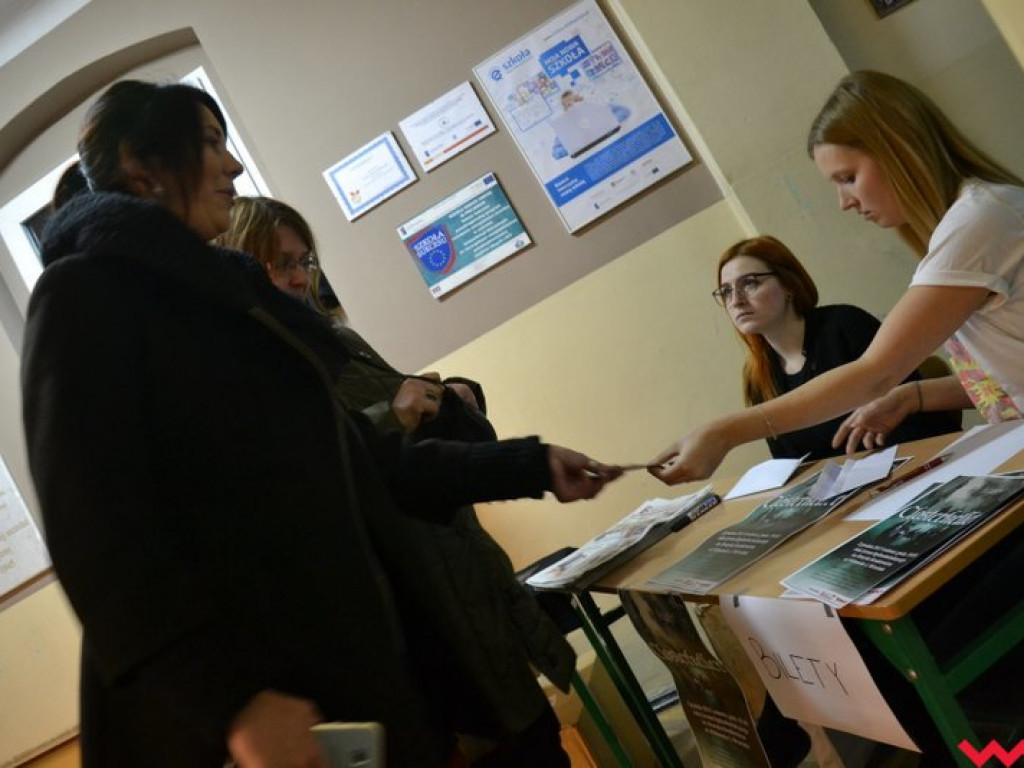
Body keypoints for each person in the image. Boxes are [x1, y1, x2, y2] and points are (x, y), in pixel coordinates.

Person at [21, 79, 621, 767]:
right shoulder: (83, 297)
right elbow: (95, 532)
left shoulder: (234, 303)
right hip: (255, 718)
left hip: (362, 690)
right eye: (212, 143)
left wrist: (529, 463)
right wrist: (234, 702)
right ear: (141, 167)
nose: (234, 166)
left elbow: (361, 463)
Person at [652, 69, 1024, 764]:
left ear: (899, 149)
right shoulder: (967, 225)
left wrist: (726, 430)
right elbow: (992, 378)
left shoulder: (978, 222)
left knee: (913, 635)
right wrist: (911, 396)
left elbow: (871, 370)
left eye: (848, 177)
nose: (845, 201)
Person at [217, 196, 576, 766]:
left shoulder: (335, 340)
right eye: (276, 263)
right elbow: (329, 482)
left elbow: (405, 458)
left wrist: (445, 401)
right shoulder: (248, 377)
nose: (295, 279)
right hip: (414, 632)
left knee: (533, 744)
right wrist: (398, 415)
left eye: (303, 262)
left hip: (457, 584)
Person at [714, 234, 959, 460]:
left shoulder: (845, 325)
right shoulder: (758, 374)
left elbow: (916, 424)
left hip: (920, 462)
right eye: (726, 291)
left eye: (749, 283)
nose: (736, 300)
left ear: (788, 284)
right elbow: (790, 464)